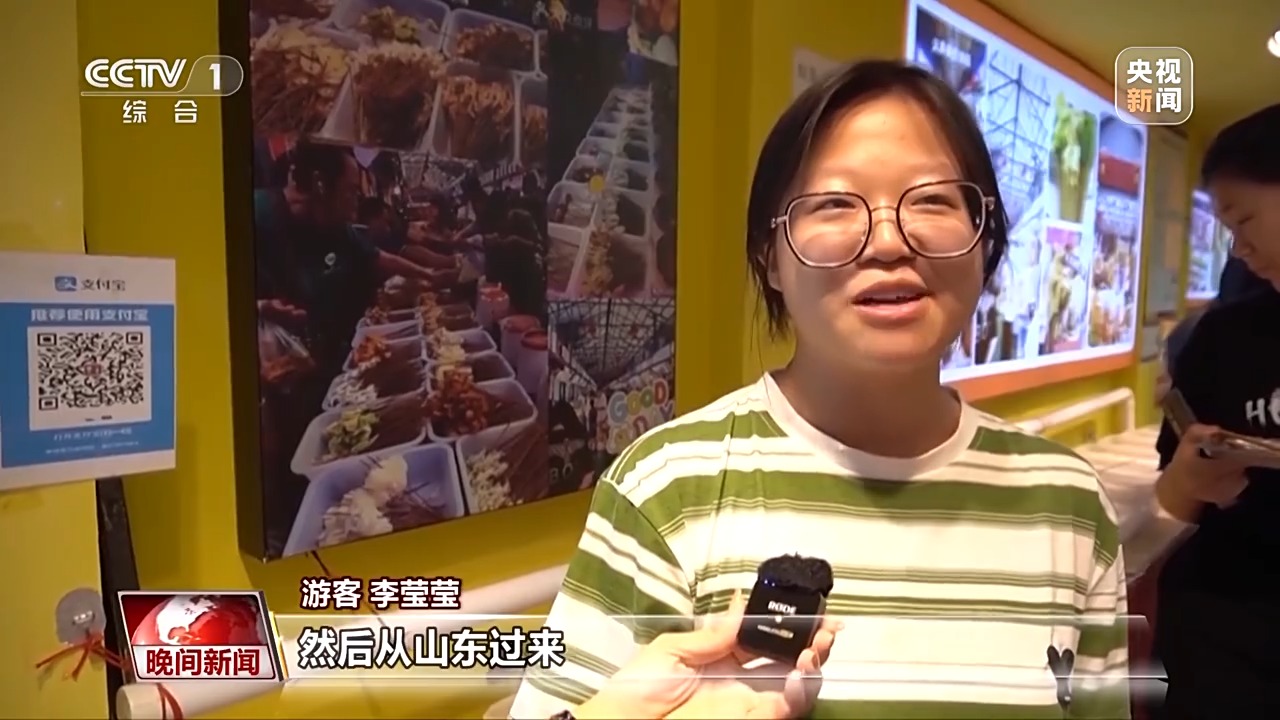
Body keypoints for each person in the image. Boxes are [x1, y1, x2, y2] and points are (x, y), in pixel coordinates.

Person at [509, 59, 1129, 719]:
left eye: (933, 200)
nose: (888, 242)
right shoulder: (667, 488)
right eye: (834, 204)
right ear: (770, 257)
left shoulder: (1069, 503)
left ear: (985, 238)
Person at [1152, 103, 1280, 718]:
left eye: (1245, 218)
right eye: (1227, 226)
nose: (1239, 247)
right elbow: (1171, 497)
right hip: (1227, 630)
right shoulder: (1222, 338)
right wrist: (1191, 479)